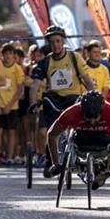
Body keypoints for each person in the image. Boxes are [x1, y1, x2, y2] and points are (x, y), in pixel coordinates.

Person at [30, 26, 94, 174]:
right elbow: (35, 86)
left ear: (63, 41)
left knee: (79, 127)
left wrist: (93, 95)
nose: (56, 45)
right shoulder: (45, 62)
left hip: (72, 98)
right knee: (52, 130)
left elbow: (87, 80)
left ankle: (81, 155)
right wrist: (33, 101)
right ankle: (51, 161)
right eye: (52, 42)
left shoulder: (74, 57)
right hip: (53, 99)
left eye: (58, 41)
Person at [44, 91, 110, 183]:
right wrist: (56, 163)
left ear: (102, 110)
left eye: (95, 118)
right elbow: (52, 134)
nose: (92, 122)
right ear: (81, 110)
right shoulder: (72, 112)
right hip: (81, 142)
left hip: (104, 142)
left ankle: (100, 174)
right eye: (88, 118)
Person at [0, 43, 26, 164]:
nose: (8, 56)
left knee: (11, 132)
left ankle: (10, 157)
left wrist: (9, 105)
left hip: (12, 106)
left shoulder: (17, 69)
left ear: (14, 56)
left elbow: (19, 89)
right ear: (2, 55)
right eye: (6, 53)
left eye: (10, 54)